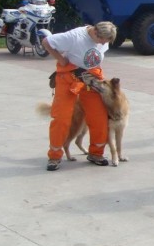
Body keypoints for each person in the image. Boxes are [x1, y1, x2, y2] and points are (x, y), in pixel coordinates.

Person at [41, 21, 118, 171]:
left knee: (99, 117)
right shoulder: (74, 37)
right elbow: (46, 42)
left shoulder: (104, 39)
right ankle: (54, 156)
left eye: (106, 41)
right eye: (102, 40)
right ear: (95, 32)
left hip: (91, 78)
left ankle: (96, 153)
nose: (103, 43)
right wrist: (61, 60)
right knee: (61, 117)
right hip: (69, 79)